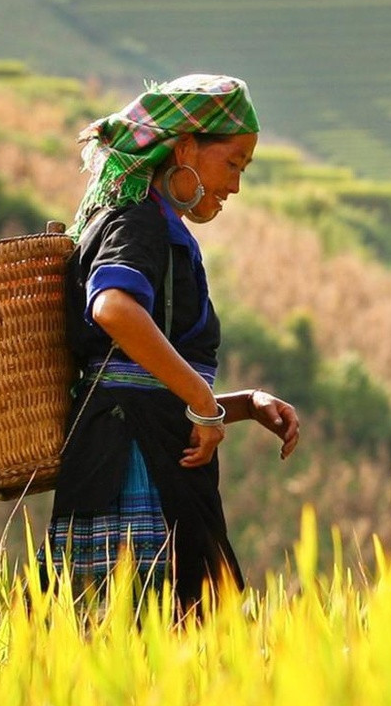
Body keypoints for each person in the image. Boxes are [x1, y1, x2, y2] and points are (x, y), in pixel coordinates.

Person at [43, 74, 300, 619]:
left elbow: (145, 381)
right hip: (131, 467)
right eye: (232, 163)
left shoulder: (160, 229)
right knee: (153, 643)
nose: (234, 184)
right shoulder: (137, 221)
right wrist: (204, 405)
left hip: (147, 447)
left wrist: (240, 405)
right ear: (185, 149)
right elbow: (112, 308)